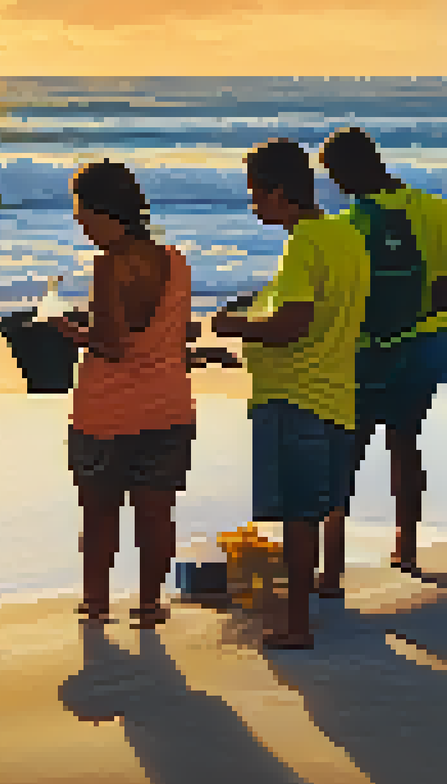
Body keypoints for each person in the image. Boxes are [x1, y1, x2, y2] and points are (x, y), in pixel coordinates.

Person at [212, 138, 369, 649]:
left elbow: (292, 325)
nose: (255, 205)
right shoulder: (346, 236)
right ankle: (326, 585)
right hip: (338, 392)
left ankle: (296, 624)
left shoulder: (303, 242)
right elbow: (322, 313)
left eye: (257, 195)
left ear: (280, 192)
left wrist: (233, 325)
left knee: (299, 518)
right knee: (325, 505)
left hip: (297, 396)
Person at [49, 160, 195, 629]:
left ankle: (95, 605)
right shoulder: (175, 261)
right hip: (170, 408)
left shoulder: (110, 266)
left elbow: (111, 344)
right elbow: (171, 334)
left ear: (101, 210)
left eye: (80, 210)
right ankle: (150, 605)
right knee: (156, 514)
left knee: (100, 516)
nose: (78, 221)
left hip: (107, 413)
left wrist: (64, 327)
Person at [318, 126, 447, 583]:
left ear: (355, 167)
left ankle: (330, 568)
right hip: (426, 346)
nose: (336, 184)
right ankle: (405, 548)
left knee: (346, 452)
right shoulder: (435, 210)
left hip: (368, 350)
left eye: (335, 173)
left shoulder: (351, 223)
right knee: (405, 445)